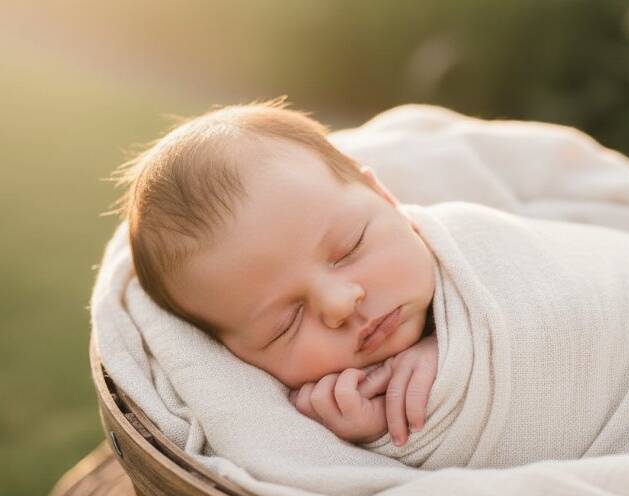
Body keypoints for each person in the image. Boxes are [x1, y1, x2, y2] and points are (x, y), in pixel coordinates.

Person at [113, 98, 439, 448]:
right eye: (287, 323)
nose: (340, 303)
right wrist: (374, 434)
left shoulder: (467, 249)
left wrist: (449, 350)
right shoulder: (315, 416)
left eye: (350, 248)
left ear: (385, 198)